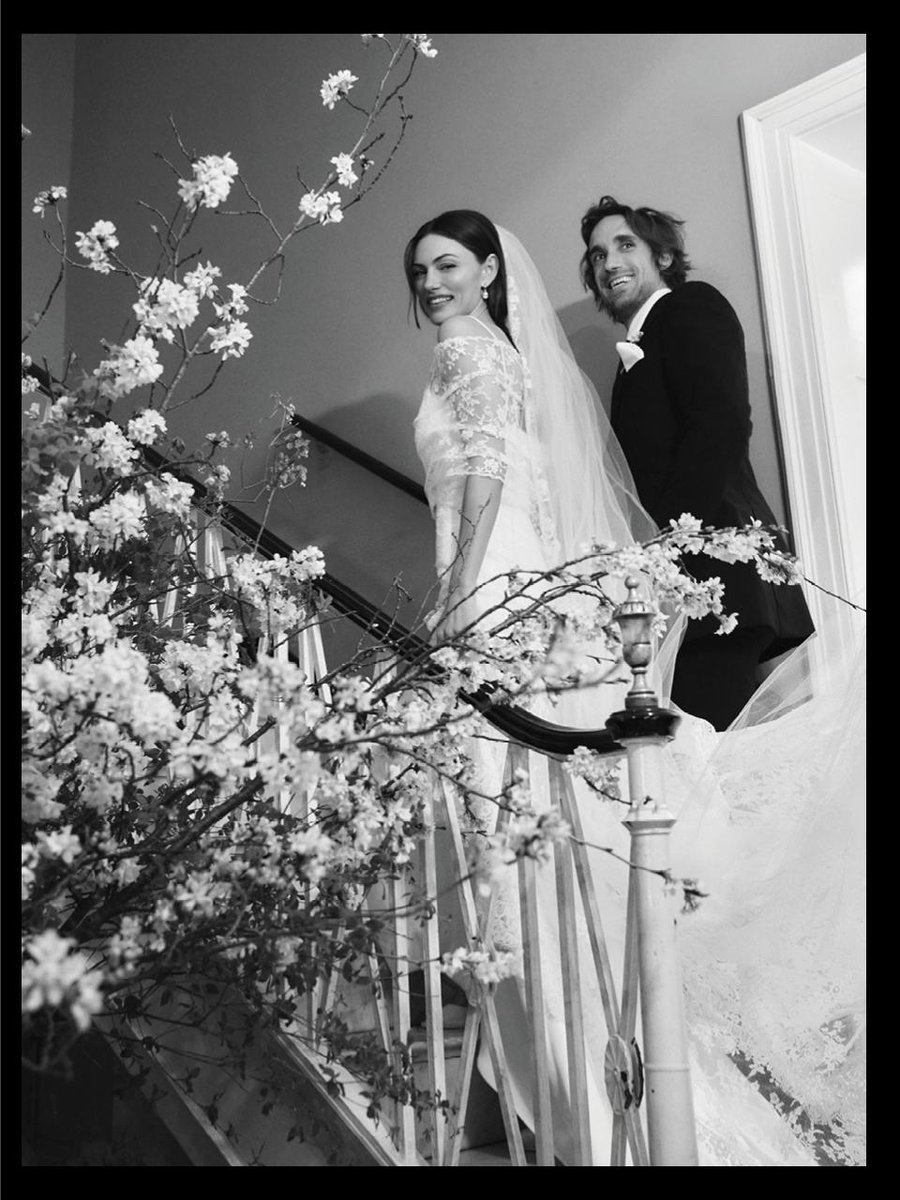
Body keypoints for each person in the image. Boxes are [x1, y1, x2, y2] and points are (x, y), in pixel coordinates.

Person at [403, 210, 864, 1165]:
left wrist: (450, 605)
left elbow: (486, 484)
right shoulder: (511, 352)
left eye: (449, 262)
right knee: (555, 791)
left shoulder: (473, 349)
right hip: (521, 568)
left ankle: (597, 1029)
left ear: (489, 269)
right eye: (420, 271)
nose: (432, 283)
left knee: (520, 781)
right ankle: (625, 1025)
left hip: (498, 574)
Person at [579, 196, 815, 730]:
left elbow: (721, 425)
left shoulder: (690, 306)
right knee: (726, 763)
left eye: (625, 245)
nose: (609, 262)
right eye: (597, 256)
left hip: (715, 575)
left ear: (661, 258)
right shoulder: (640, 343)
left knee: (729, 766)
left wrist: (666, 549)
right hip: (696, 590)